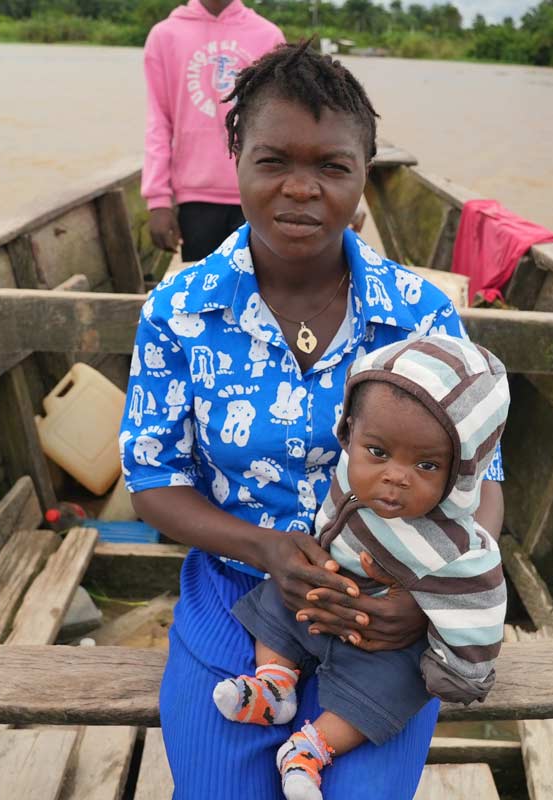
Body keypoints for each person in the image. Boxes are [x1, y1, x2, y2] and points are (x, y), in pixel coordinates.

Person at [119, 41, 505, 799]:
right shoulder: (178, 311)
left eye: (332, 166)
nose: (301, 189)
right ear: (236, 161)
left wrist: (425, 597)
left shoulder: (421, 314)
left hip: (388, 610)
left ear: (364, 180)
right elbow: (154, 481)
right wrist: (266, 548)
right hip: (239, 596)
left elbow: (483, 477)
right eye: (273, 162)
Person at [213, 336, 510, 800]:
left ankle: (310, 747)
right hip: (325, 592)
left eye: (427, 464)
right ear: (349, 433)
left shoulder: (457, 547)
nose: (395, 476)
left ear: (461, 469)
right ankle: (274, 685)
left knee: (393, 688)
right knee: (276, 603)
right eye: (378, 453)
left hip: (384, 639)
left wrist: (460, 671)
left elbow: (480, 610)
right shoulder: (351, 477)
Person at [141, 0, 285, 262]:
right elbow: (159, 123)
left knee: (260, 293)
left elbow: (282, 125)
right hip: (196, 198)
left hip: (257, 192)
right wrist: (158, 201)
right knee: (206, 299)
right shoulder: (165, 36)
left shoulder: (268, 36)